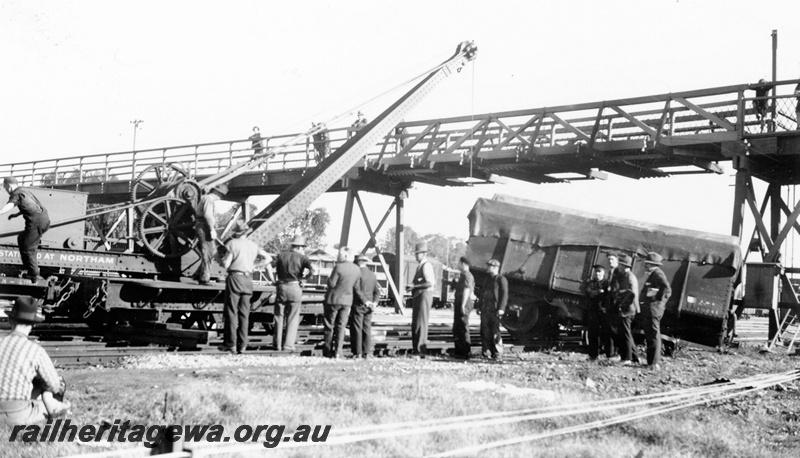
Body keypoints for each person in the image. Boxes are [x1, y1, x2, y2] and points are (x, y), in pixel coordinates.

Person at [0, 296, 70, 425]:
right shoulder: (35, 351)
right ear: (33, 325)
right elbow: (55, 385)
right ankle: (55, 408)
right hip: (18, 416)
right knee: (52, 386)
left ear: (10, 320)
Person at [218, 221, 273, 354]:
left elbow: (226, 264)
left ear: (236, 233)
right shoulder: (253, 246)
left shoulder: (232, 244)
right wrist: (255, 266)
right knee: (244, 314)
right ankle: (242, 346)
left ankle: (230, 344)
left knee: (231, 312)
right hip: (248, 280)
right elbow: (268, 258)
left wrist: (217, 259)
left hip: (235, 278)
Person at [0, 177, 50, 283]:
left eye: (5, 188)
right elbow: (32, 206)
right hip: (44, 219)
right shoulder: (25, 191)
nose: (6, 190)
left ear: (9, 185)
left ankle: (34, 275)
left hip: (36, 222)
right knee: (22, 238)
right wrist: (16, 214)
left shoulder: (16, 193)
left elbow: (9, 205)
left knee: (28, 249)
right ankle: (29, 269)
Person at [273, 235, 314, 351]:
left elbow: (267, 266)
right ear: (300, 247)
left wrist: (273, 280)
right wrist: (305, 279)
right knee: (293, 317)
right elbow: (314, 269)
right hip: (295, 286)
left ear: (292, 246)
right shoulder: (303, 258)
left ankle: (277, 345)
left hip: (281, 287)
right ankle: (288, 345)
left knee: (279, 316)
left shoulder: (281, 256)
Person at [323, 247, 366, 358]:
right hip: (347, 302)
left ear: (346, 256)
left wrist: (328, 279)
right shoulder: (357, 269)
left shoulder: (338, 267)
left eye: (340, 254)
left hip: (333, 300)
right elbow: (356, 288)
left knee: (329, 325)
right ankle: (338, 352)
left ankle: (327, 351)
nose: (338, 256)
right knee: (341, 327)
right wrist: (365, 300)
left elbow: (332, 284)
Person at [640, 252, 672, 369]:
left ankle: (655, 363)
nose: (645, 265)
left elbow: (667, 290)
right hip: (650, 309)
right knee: (650, 335)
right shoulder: (653, 273)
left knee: (653, 335)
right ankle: (651, 362)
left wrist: (657, 300)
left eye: (646, 263)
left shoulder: (658, 274)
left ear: (650, 264)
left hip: (654, 309)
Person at [193, 183, 227, 285]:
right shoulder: (209, 199)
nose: (220, 197)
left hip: (201, 226)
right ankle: (204, 278)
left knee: (208, 251)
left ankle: (198, 274)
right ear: (216, 192)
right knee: (209, 252)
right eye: (220, 195)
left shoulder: (205, 198)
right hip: (204, 227)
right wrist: (212, 229)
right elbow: (208, 215)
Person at [350, 254, 380, 358]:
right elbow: (377, 291)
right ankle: (366, 352)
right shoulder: (372, 274)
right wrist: (374, 303)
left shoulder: (357, 273)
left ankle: (358, 353)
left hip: (359, 304)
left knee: (357, 328)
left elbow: (356, 289)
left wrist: (365, 301)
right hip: (370, 306)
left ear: (357, 262)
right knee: (367, 328)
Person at [408, 241, 435, 356]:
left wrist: (415, 286)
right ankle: (417, 349)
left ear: (423, 254)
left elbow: (430, 283)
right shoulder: (421, 266)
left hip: (424, 295)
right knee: (417, 323)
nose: (416, 256)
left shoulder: (426, 266)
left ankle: (420, 351)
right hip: (419, 295)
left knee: (421, 323)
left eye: (417, 254)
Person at [583, 264, 612, 361]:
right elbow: (588, 293)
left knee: (607, 333)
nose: (597, 274)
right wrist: (599, 292)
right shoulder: (590, 283)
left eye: (599, 272)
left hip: (604, 311)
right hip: (593, 311)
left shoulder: (607, 283)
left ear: (603, 273)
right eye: (596, 272)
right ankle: (593, 355)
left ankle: (609, 355)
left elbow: (609, 295)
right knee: (593, 333)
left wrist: (597, 292)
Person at [480, 259, 508, 360]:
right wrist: (480, 306)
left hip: (495, 309)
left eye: (489, 266)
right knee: (485, 331)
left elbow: (504, 295)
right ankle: (487, 353)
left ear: (495, 268)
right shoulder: (487, 279)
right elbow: (483, 293)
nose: (487, 267)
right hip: (485, 308)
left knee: (495, 331)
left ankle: (497, 353)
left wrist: (501, 308)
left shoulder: (501, 279)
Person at [615, 254, 639, 365]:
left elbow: (631, 294)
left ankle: (627, 358)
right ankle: (634, 357)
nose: (618, 266)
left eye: (620, 264)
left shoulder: (629, 277)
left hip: (627, 310)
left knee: (625, 334)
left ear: (624, 266)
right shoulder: (626, 276)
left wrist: (621, 306)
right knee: (626, 333)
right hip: (626, 309)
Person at [452, 256, 475, 359]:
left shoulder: (467, 276)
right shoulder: (464, 275)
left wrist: (462, 304)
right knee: (458, 327)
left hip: (464, 302)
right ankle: (459, 352)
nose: (458, 265)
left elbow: (466, 290)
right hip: (461, 301)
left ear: (464, 264)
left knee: (462, 327)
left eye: (459, 263)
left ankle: (465, 352)